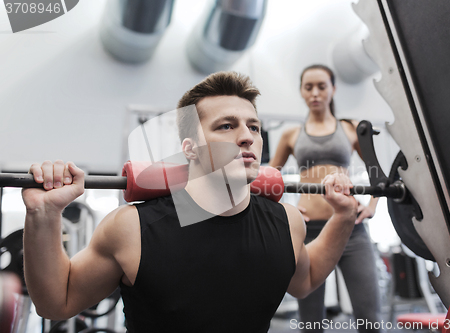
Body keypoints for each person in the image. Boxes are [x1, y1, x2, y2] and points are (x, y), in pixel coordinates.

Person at [21, 71, 358, 333]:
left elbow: (306, 279)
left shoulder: (287, 222)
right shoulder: (131, 229)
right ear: (189, 148)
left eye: (253, 127)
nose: (247, 136)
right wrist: (43, 214)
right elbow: (58, 302)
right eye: (226, 126)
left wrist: (342, 218)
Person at [269, 64, 383, 333]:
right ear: (301, 91)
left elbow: (377, 171)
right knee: (310, 323)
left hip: (351, 230)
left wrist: (373, 205)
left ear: (333, 88)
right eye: (309, 87)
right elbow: (269, 180)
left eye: (322, 86)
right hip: (308, 232)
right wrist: (284, 209)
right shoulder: (291, 134)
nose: (315, 93)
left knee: (371, 319)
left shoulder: (351, 128)